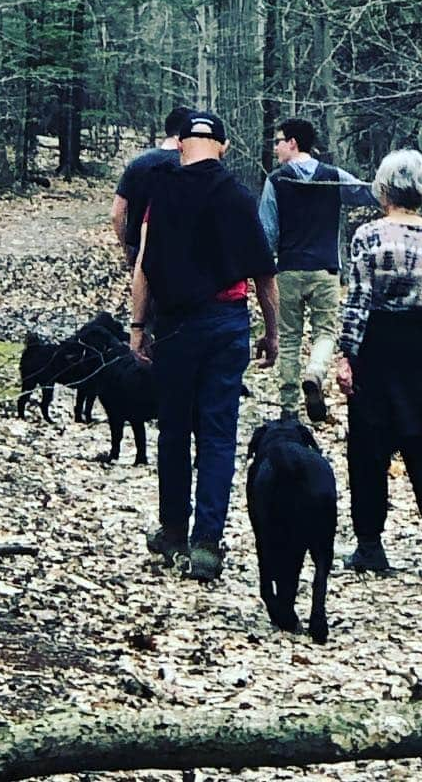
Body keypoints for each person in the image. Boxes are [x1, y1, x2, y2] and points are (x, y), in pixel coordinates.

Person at [131, 110, 279, 582]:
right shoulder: (237, 196)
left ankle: (173, 528)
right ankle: (207, 541)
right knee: (218, 432)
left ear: (180, 145)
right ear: (223, 145)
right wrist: (272, 332)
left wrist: (138, 326)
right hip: (225, 324)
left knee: (173, 429)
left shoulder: (161, 193)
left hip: (174, 326)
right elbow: (264, 276)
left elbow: (143, 267)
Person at [336, 149, 422, 579]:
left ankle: (370, 546)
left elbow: (358, 301)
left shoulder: (368, 237)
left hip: (378, 348)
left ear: (383, 190)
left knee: (368, 452)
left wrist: (346, 355)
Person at [257, 118, 378, 423]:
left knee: (289, 337)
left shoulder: (277, 181)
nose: (276, 148)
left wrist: (262, 265)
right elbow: (368, 193)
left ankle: (288, 408)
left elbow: (267, 232)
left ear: (293, 143)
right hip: (325, 269)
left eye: (279, 141)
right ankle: (315, 372)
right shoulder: (332, 177)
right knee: (325, 331)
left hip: (288, 270)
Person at [111, 106, 191, 271]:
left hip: (142, 252)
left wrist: (128, 250)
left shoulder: (138, 163)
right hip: (183, 256)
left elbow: (116, 213)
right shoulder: (191, 167)